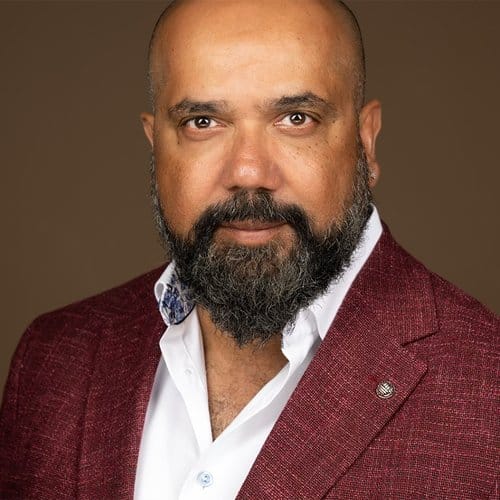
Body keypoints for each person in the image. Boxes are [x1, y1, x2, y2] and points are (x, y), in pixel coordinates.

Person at [1, 0, 498, 498]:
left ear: (366, 142)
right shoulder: (53, 361)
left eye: (296, 118)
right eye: (202, 122)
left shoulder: (486, 390)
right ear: (155, 145)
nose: (248, 172)